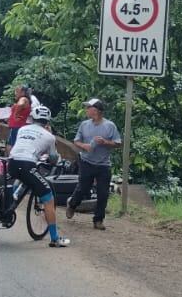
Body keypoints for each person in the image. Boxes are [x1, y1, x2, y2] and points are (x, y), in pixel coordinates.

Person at [8, 104, 70, 247]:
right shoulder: (49, 136)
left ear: (32, 118)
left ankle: (9, 205)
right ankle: (55, 238)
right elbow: (54, 158)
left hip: (12, 161)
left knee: (18, 179)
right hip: (27, 165)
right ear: (47, 121)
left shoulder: (23, 129)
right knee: (48, 198)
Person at [67, 98, 122, 231]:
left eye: (88, 108)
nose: (86, 110)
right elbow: (76, 141)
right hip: (86, 161)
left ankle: (98, 220)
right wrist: (84, 145)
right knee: (83, 188)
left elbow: (118, 143)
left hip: (104, 164)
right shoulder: (84, 125)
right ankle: (73, 204)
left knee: (103, 193)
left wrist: (105, 142)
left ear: (96, 110)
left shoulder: (110, 126)